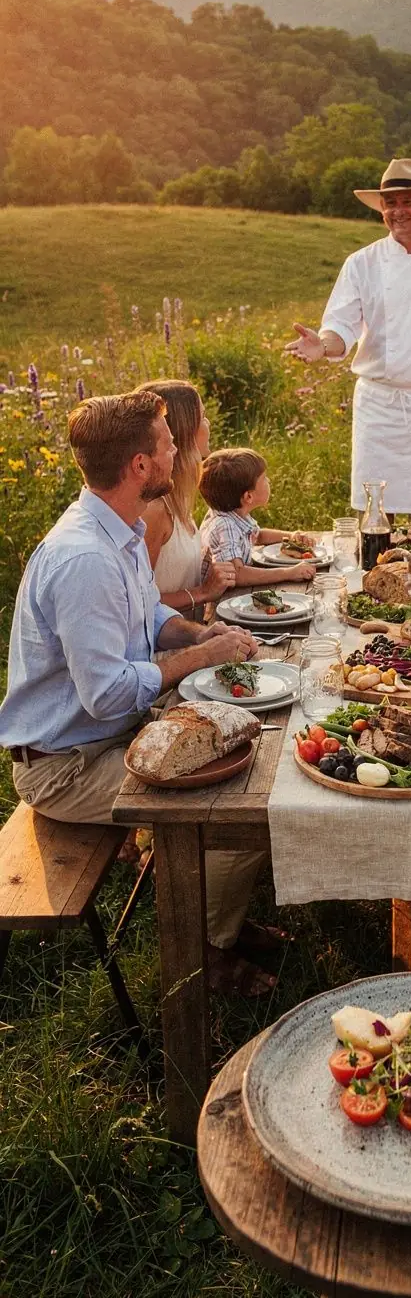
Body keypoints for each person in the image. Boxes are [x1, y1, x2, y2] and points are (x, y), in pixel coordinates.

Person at [0, 391, 279, 997]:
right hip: (65, 768)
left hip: (113, 732)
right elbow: (105, 695)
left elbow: (149, 613)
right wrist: (199, 658)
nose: (179, 452)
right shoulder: (84, 559)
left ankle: (219, 919)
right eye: (169, 444)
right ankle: (203, 953)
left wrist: (199, 633)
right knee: (237, 799)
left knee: (255, 737)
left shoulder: (117, 528)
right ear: (140, 465)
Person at [285, 157, 411, 514]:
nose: (398, 211)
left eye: (408, 201)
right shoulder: (361, 263)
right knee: (374, 514)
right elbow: (341, 327)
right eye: (390, 203)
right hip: (378, 407)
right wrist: (323, 346)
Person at [137, 379, 236, 613]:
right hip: (170, 637)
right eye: (202, 417)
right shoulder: (154, 509)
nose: (208, 424)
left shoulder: (177, 495)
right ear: (182, 433)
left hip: (192, 631)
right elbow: (138, 603)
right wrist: (203, 592)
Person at [199, 448, 317, 587]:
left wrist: (290, 537)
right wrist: (288, 573)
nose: (269, 480)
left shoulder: (231, 512)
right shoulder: (224, 525)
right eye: (264, 478)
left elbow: (258, 536)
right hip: (225, 597)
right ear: (248, 496)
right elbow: (236, 574)